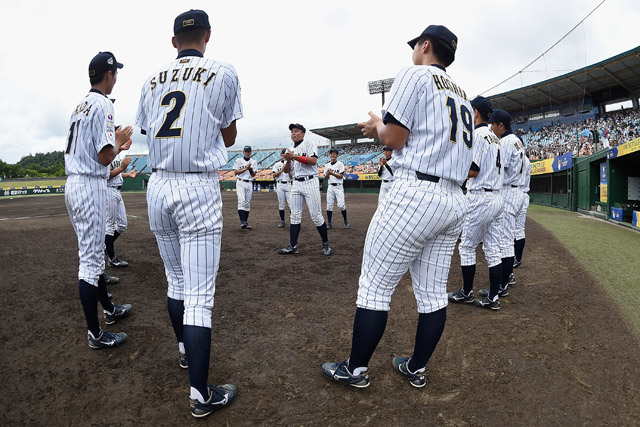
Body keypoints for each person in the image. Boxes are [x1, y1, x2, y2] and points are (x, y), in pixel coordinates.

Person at [322, 25, 472, 388]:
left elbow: (395, 138)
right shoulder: (464, 95)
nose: (413, 52)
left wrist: (377, 126)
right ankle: (416, 367)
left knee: (374, 286)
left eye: (415, 46)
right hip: (454, 199)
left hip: (415, 194)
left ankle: (355, 370)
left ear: (425, 46)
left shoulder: (416, 73)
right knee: (434, 292)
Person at [135, 9, 242, 418]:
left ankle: (184, 349)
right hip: (197, 184)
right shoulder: (223, 72)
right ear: (207, 36)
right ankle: (200, 395)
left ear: (174, 41)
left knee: (175, 280)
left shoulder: (150, 79)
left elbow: (149, 130)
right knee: (200, 296)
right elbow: (229, 134)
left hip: (158, 184)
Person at [65, 51, 133, 349]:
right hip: (90, 185)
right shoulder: (104, 103)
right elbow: (105, 156)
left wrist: (115, 142)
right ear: (109, 75)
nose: (116, 77)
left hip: (75, 183)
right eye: (115, 72)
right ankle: (96, 334)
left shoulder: (79, 105)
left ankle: (109, 309)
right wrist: (119, 141)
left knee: (91, 257)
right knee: (90, 264)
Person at [447, 96, 504, 310]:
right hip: (497, 197)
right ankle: (493, 297)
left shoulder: (478, 135)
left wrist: (453, 171)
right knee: (493, 249)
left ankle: (467, 293)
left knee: (467, 246)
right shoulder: (495, 138)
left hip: (480, 197)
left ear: (476, 112)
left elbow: (473, 170)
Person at [486, 109, 525, 297]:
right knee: (508, 239)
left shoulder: (507, 142)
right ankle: (507, 278)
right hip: (517, 191)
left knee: (505, 242)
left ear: (501, 125)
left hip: (509, 192)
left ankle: (503, 284)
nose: (491, 128)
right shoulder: (517, 140)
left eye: (493, 124)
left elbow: (501, 169)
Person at [277, 123, 331, 256]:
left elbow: (313, 161)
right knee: (294, 216)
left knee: (316, 216)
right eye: (291, 132)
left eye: (296, 131)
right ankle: (293, 246)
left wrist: (294, 157)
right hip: (295, 183)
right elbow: (286, 170)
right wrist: (289, 160)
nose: (293, 133)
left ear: (303, 133)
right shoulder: (289, 149)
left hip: (310, 181)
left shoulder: (309, 143)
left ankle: (326, 244)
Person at [105, 153, 139, 268]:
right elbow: (106, 175)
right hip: (108, 191)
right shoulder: (107, 153)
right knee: (109, 226)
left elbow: (117, 175)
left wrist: (127, 174)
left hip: (117, 191)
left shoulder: (117, 155)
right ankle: (112, 259)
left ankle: (106, 246)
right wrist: (121, 168)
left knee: (122, 225)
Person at [324, 148, 349, 229]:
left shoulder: (340, 164)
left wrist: (332, 173)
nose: (332, 155)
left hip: (338, 186)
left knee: (341, 205)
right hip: (330, 186)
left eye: (334, 154)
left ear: (337, 155)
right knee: (329, 205)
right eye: (331, 154)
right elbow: (325, 177)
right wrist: (328, 174)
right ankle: (329, 223)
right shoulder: (327, 165)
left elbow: (341, 176)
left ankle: (345, 220)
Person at [513, 154, 531, 268]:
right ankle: (517, 258)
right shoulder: (527, 160)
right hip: (524, 195)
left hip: (514, 193)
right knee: (519, 229)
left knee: (509, 230)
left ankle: (512, 258)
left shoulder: (516, 157)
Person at [233, 145, 258, 229]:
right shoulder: (238, 160)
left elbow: (253, 175)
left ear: (250, 152)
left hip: (249, 183)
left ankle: (245, 222)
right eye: (246, 151)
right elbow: (236, 172)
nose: (247, 153)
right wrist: (246, 169)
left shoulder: (253, 161)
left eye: (248, 151)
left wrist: (250, 169)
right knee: (242, 201)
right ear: (243, 152)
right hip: (240, 182)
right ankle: (242, 221)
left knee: (247, 203)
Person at [272, 148, 292, 227]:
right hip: (280, 184)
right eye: (283, 153)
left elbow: (292, 176)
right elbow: (274, 175)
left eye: (286, 153)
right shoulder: (277, 164)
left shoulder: (290, 163)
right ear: (281, 155)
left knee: (291, 204)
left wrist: (288, 170)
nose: (284, 154)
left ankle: (293, 220)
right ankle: (282, 221)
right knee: (281, 204)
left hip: (288, 184)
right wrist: (282, 170)